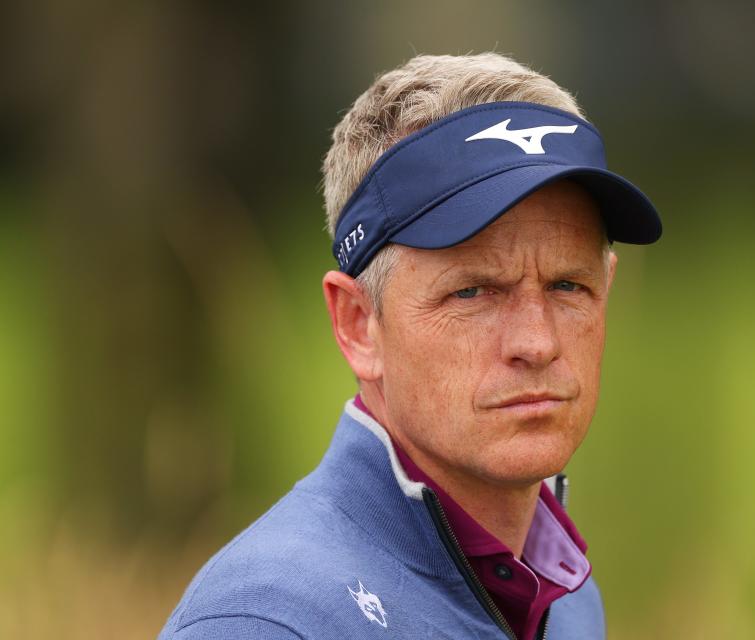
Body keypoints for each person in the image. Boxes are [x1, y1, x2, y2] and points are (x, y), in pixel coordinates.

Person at [158, 52, 661, 640]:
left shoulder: (566, 598)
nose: (537, 341)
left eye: (568, 286)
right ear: (357, 323)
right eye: (472, 292)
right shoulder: (269, 621)